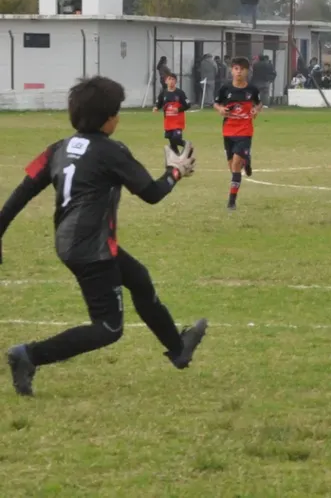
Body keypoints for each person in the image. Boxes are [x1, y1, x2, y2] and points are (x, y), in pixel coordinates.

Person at [0, 76, 206, 397]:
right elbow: (151, 193)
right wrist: (175, 171)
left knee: (138, 278)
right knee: (108, 328)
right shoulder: (112, 151)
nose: (118, 117)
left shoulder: (58, 148)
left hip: (72, 243)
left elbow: (22, 191)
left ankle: (178, 349)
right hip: (91, 249)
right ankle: (28, 355)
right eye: (117, 112)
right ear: (109, 119)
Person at [213, 57, 261, 211]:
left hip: (245, 131)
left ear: (247, 71)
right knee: (232, 168)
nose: (239, 71)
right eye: (236, 68)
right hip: (228, 131)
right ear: (231, 70)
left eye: (242, 69)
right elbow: (216, 103)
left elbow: (259, 103)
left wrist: (256, 110)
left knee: (235, 165)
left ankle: (231, 202)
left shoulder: (252, 89)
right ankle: (247, 159)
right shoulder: (225, 89)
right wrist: (220, 109)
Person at [153, 72, 190, 154]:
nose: (171, 81)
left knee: (176, 138)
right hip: (168, 122)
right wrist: (156, 107)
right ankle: (177, 158)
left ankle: (187, 145)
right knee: (172, 143)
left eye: (173, 79)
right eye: (169, 79)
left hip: (178, 122)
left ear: (176, 81)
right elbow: (159, 103)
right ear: (166, 81)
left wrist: (179, 109)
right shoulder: (163, 93)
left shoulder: (180, 93)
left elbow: (188, 105)